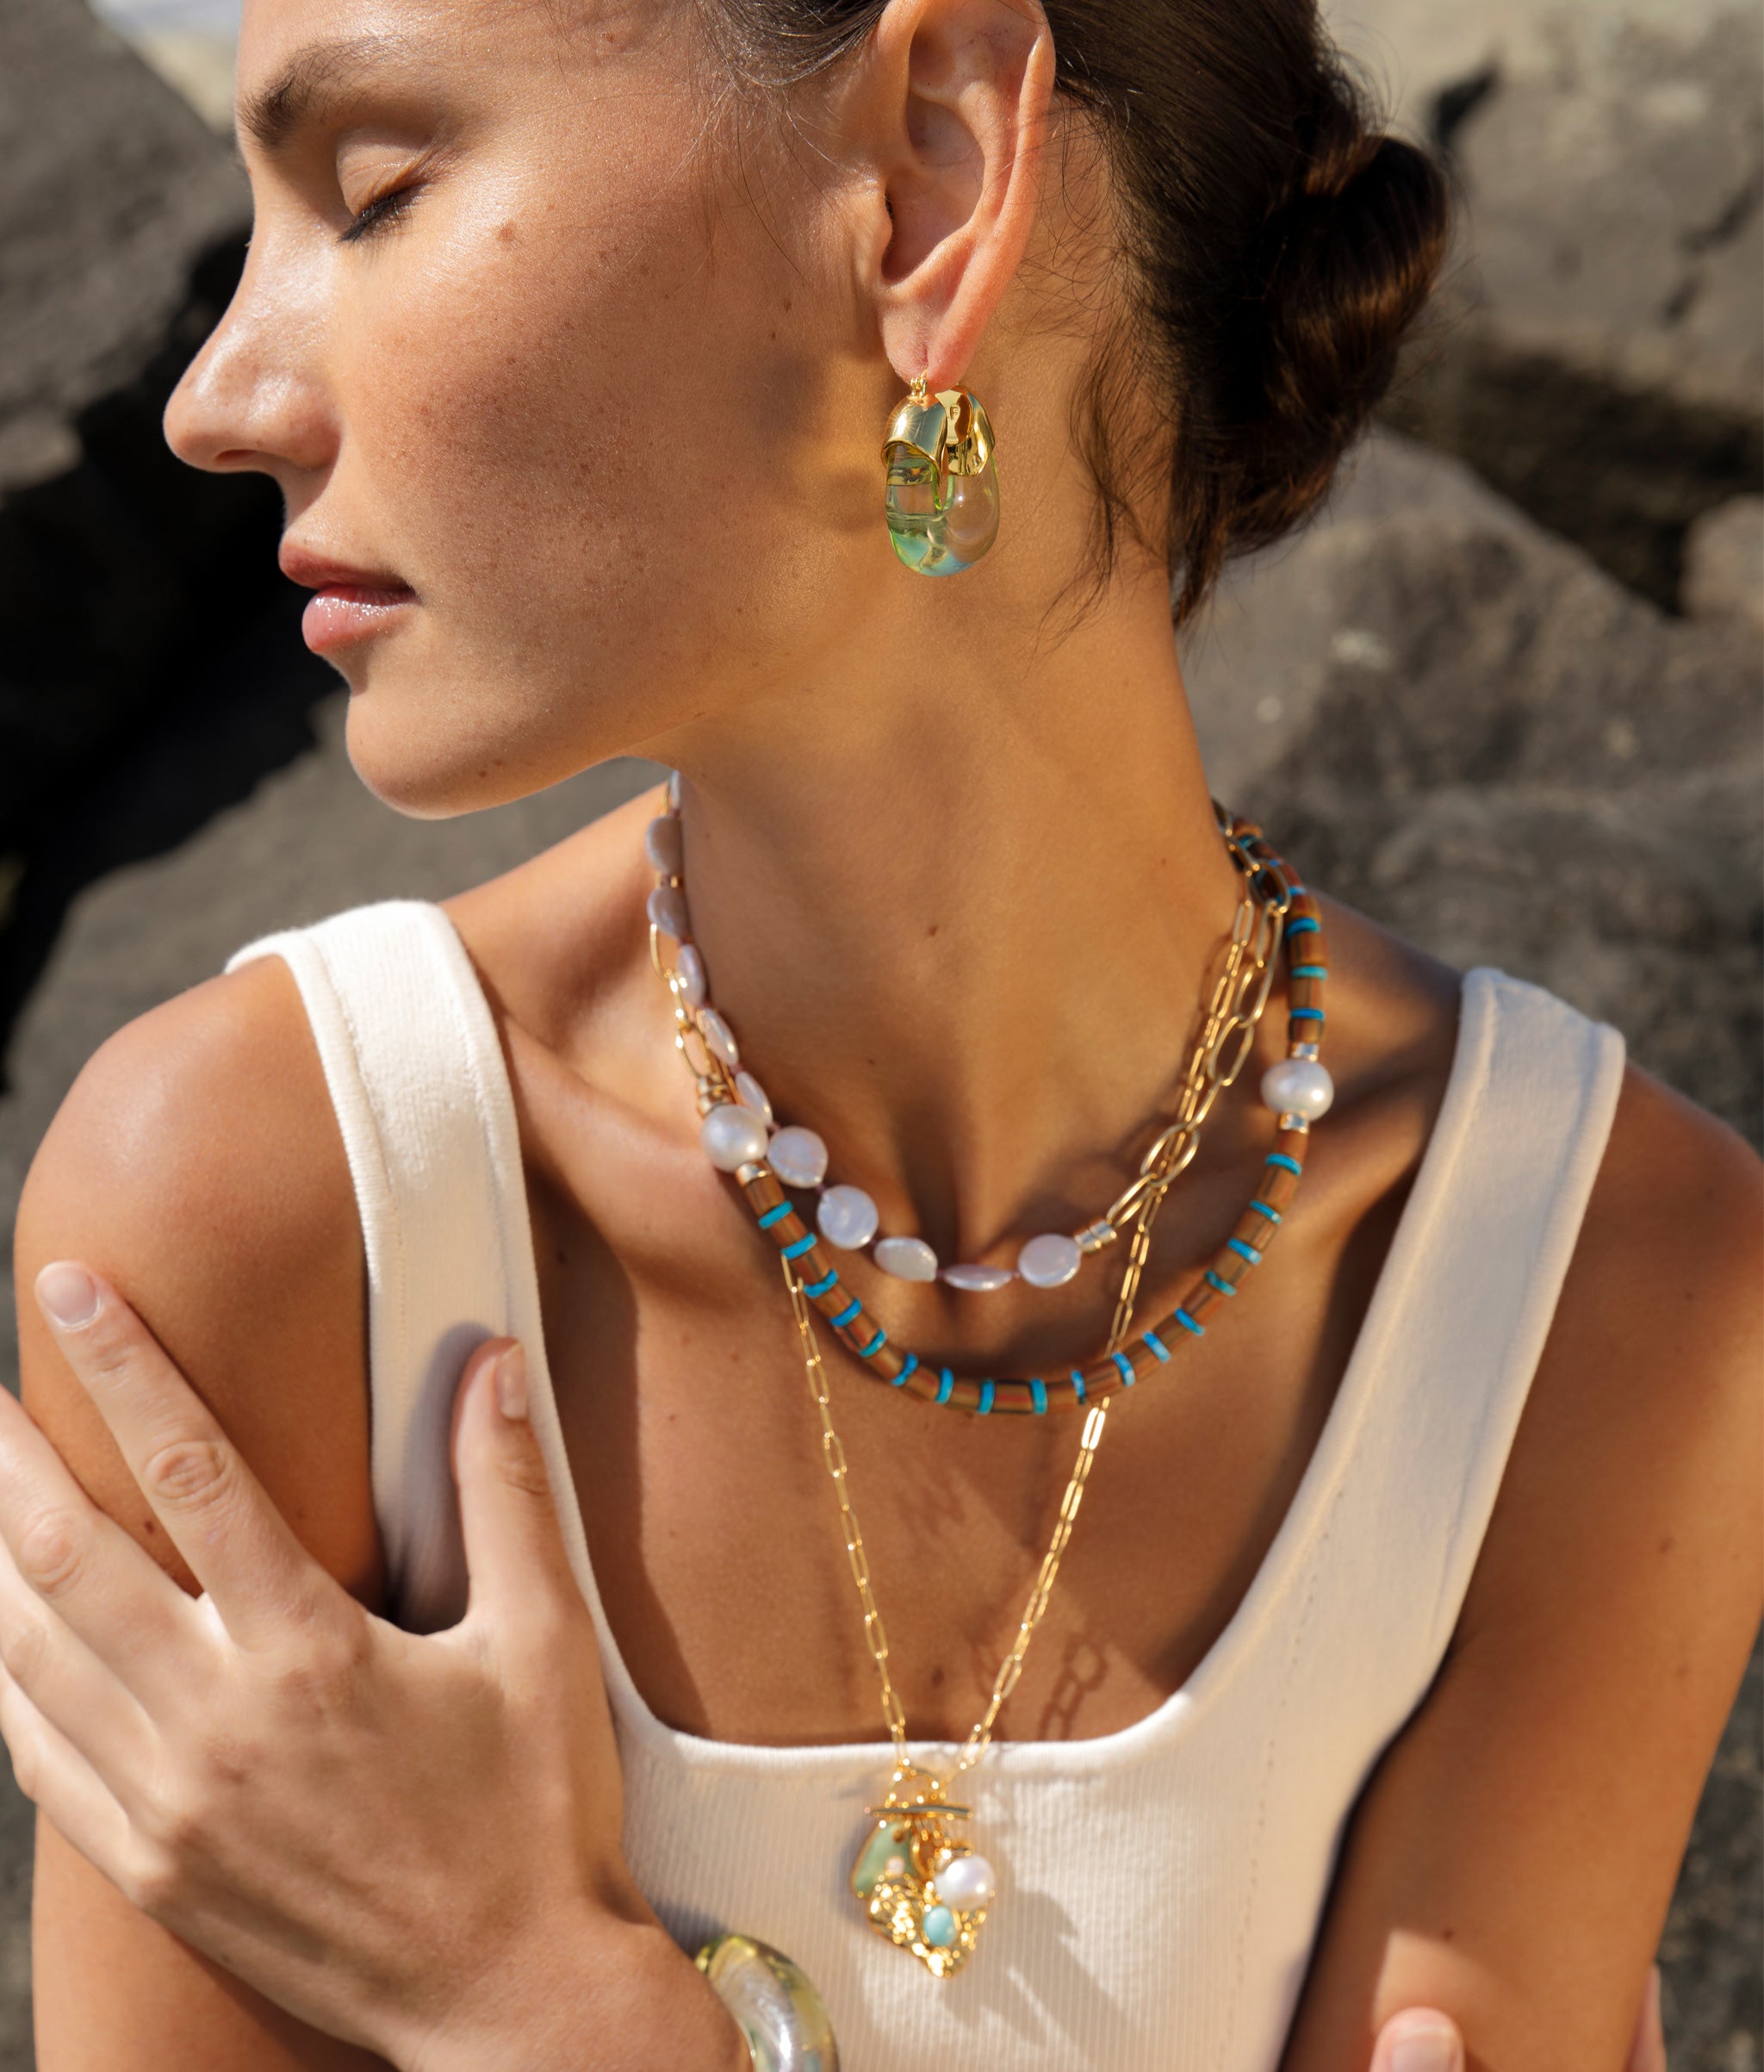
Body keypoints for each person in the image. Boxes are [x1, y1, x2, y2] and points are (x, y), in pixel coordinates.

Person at [2, 0, 1755, 2065]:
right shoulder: (267, 1221)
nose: (218, 395)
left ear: (923, 174)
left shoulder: (1587, 1291)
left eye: (375, 193)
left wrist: (547, 2013)